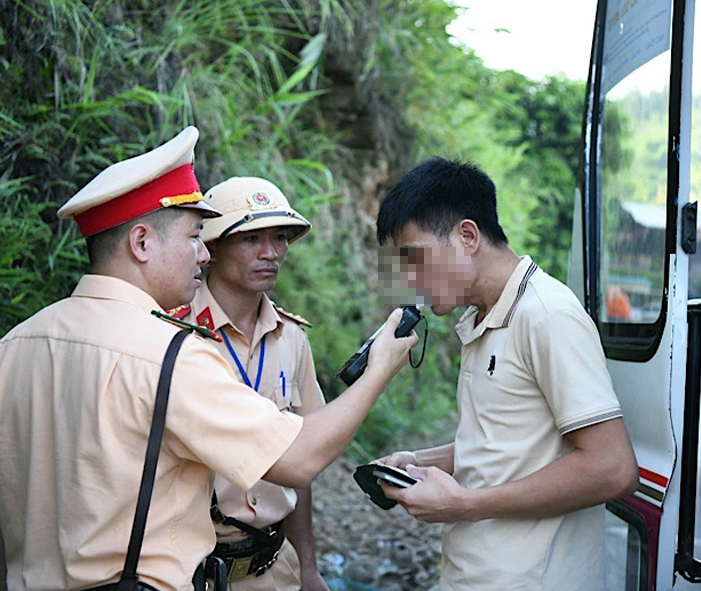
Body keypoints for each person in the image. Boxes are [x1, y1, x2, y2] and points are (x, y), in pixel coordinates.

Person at [0, 127, 417, 591]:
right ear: (142, 243)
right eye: (195, 236)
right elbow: (298, 461)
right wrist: (380, 369)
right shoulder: (169, 353)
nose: (202, 253)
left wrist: (306, 565)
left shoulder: (14, 345)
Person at [373, 158, 639, 591]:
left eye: (415, 258)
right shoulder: (484, 317)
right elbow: (503, 445)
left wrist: (465, 504)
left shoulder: (547, 315)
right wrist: (417, 463)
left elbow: (612, 468)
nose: (409, 278)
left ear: (467, 236)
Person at [171, 176, 328, 590]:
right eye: (251, 238)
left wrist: (308, 567)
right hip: (189, 573)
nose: (270, 252)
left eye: (280, 237)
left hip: (274, 568)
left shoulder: (292, 338)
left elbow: (302, 463)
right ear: (213, 247)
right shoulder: (173, 332)